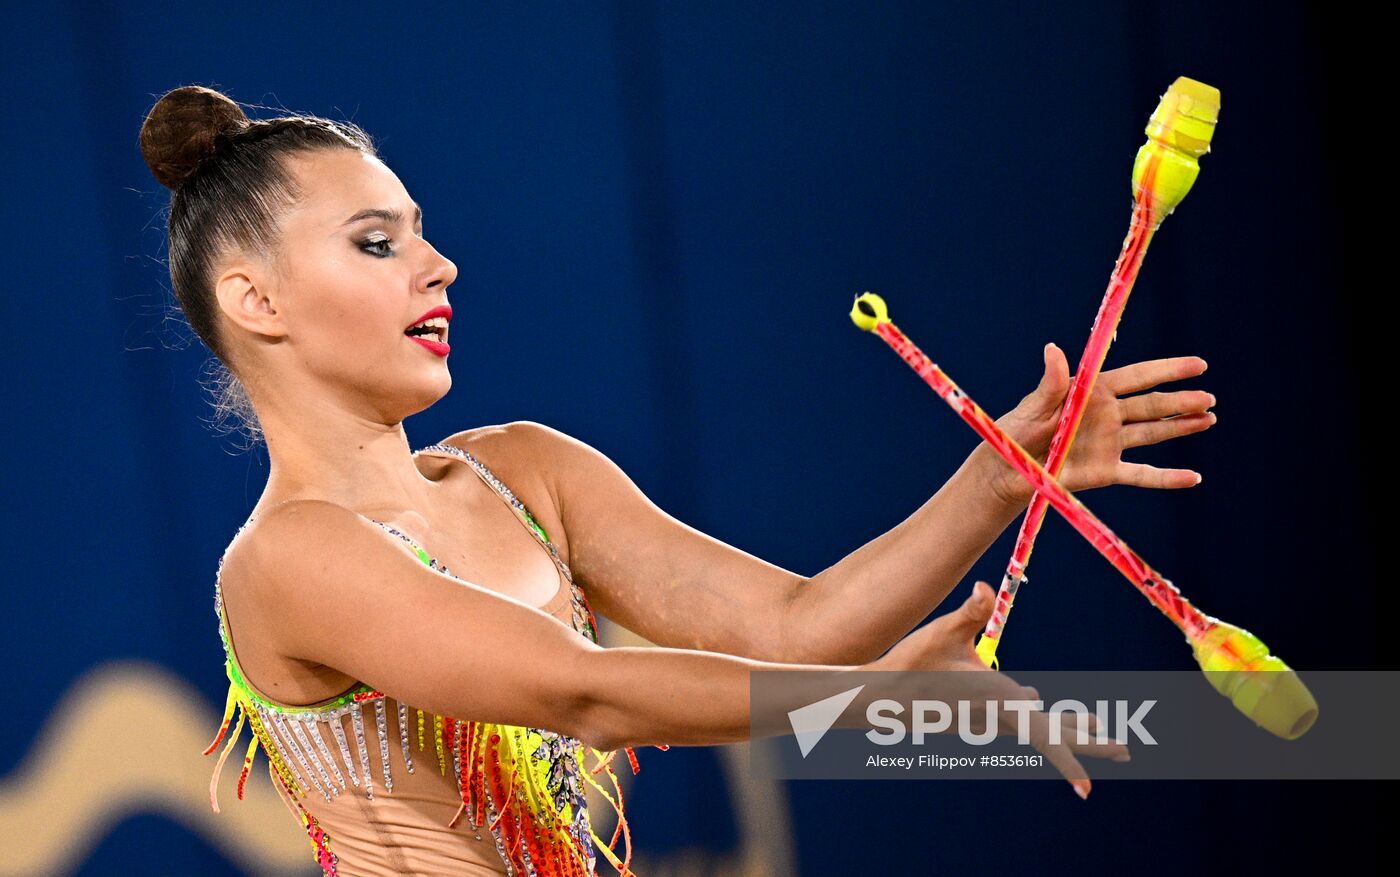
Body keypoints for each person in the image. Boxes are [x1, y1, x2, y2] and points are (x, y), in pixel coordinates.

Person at [139, 84, 1215, 877]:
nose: (438, 265)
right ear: (256, 301)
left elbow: (795, 626)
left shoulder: (522, 471)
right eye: (376, 242)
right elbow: (585, 689)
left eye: (423, 234)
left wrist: (997, 478)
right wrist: (866, 704)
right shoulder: (291, 555)